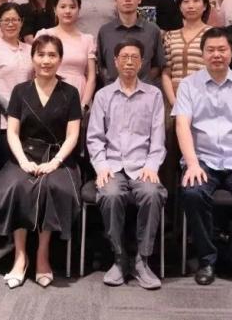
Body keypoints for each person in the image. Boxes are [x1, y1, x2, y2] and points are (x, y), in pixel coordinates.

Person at [174, 27, 232, 287]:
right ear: (203, 54)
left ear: (231, 52)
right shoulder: (188, 84)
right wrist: (192, 163)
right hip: (202, 160)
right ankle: (207, 260)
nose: (217, 55)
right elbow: (182, 125)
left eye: (222, 49)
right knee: (193, 193)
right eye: (211, 50)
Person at [0, 35, 82, 289]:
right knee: (15, 186)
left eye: (52, 55)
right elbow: (12, 132)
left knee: (53, 187)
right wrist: (23, 161)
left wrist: (55, 162)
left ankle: (42, 254)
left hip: (58, 156)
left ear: (60, 59)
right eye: (41, 55)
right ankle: (20, 256)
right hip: (24, 155)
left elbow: (73, 135)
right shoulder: (20, 91)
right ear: (33, 58)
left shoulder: (70, 92)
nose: (46, 61)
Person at [86, 39, 167, 290]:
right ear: (115, 61)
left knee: (152, 194)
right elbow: (94, 138)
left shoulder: (154, 95)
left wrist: (152, 165)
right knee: (110, 195)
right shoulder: (103, 95)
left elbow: (158, 138)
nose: (129, 62)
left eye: (134, 57)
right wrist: (101, 167)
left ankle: (142, 260)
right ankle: (119, 258)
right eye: (124, 57)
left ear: (141, 63)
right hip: (112, 165)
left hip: (143, 165)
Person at [97, 0, 165, 86]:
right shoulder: (105, 31)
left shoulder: (152, 30)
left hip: (145, 92)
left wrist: (141, 85)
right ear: (115, 0)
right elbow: (101, 66)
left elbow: (158, 65)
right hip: (112, 92)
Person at [36, 0, 96, 109]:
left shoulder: (87, 39)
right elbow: (36, 70)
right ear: (55, 9)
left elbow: (91, 77)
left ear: (79, 10)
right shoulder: (44, 34)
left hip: (79, 93)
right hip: (48, 92)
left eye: (72, 7)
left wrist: (83, 105)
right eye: (63, 7)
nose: (67, 11)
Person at [0, 4, 34, 131]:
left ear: (21, 22)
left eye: (15, 20)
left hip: (29, 115)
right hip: (2, 117)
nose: (10, 24)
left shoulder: (30, 50)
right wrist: (10, 107)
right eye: (6, 20)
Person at [161, 0, 212, 108]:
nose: (190, 6)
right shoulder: (170, 36)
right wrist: (174, 102)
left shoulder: (213, 34)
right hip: (175, 99)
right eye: (186, 2)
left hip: (206, 99)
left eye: (196, 1)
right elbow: (166, 72)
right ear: (180, 7)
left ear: (205, 6)